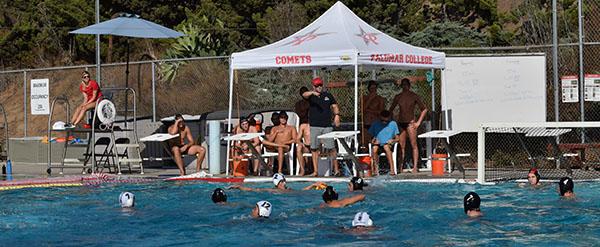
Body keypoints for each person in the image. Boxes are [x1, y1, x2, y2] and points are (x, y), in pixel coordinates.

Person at [303, 77, 341, 177]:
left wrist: (337, 115)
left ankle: (336, 170)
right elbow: (304, 94)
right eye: (316, 86)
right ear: (313, 86)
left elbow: (334, 106)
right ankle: (315, 171)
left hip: (327, 126)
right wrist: (312, 93)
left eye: (320, 85)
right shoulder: (311, 96)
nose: (319, 87)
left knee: (331, 148)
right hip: (315, 126)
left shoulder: (328, 95)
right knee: (314, 148)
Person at [389, 78, 428, 173]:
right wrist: (393, 122)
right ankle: (400, 167)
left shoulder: (414, 96)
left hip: (411, 123)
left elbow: (424, 109)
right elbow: (390, 110)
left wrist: (418, 122)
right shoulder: (398, 97)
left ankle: (415, 167)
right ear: (401, 86)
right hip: (401, 123)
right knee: (401, 145)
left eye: (406, 85)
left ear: (409, 86)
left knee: (414, 144)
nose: (405, 86)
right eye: (403, 85)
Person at [368, 110, 400, 175]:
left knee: (386, 147)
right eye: (382, 121)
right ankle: (376, 169)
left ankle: (392, 169)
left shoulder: (393, 124)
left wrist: (392, 140)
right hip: (378, 144)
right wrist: (373, 141)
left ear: (389, 118)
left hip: (388, 144)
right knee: (374, 149)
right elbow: (368, 138)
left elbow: (398, 138)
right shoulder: (375, 124)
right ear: (380, 117)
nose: (384, 122)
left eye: (386, 121)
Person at [230, 173, 326, 192]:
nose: (284, 183)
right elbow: (253, 189)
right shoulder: (272, 190)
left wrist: (313, 185)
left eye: (284, 181)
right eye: (282, 182)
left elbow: (300, 191)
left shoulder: (288, 189)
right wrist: (239, 186)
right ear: (277, 183)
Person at [362, 81, 386, 146]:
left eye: (375, 88)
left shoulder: (379, 99)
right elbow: (362, 109)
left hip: (375, 122)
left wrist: (369, 110)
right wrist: (370, 99)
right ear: (369, 89)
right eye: (372, 88)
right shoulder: (364, 98)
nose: (373, 90)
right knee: (365, 142)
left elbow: (381, 112)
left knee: (375, 143)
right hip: (367, 123)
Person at [295, 86, 311, 176]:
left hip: (313, 142)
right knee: (299, 148)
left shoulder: (312, 103)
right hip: (303, 125)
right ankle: (302, 169)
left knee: (312, 148)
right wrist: (300, 143)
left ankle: (311, 168)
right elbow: (301, 114)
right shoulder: (299, 104)